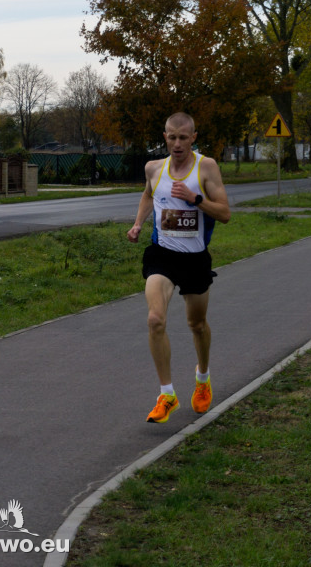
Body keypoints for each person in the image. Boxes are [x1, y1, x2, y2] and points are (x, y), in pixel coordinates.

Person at [127, 112, 231, 423]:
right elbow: (148, 194)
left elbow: (225, 213)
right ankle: (167, 394)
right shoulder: (153, 168)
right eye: (171, 137)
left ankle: (202, 378)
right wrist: (137, 224)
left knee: (196, 325)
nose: (177, 143)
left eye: (183, 137)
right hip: (163, 256)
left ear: (193, 138)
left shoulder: (206, 167)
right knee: (155, 319)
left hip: (195, 258)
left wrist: (195, 198)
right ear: (165, 137)